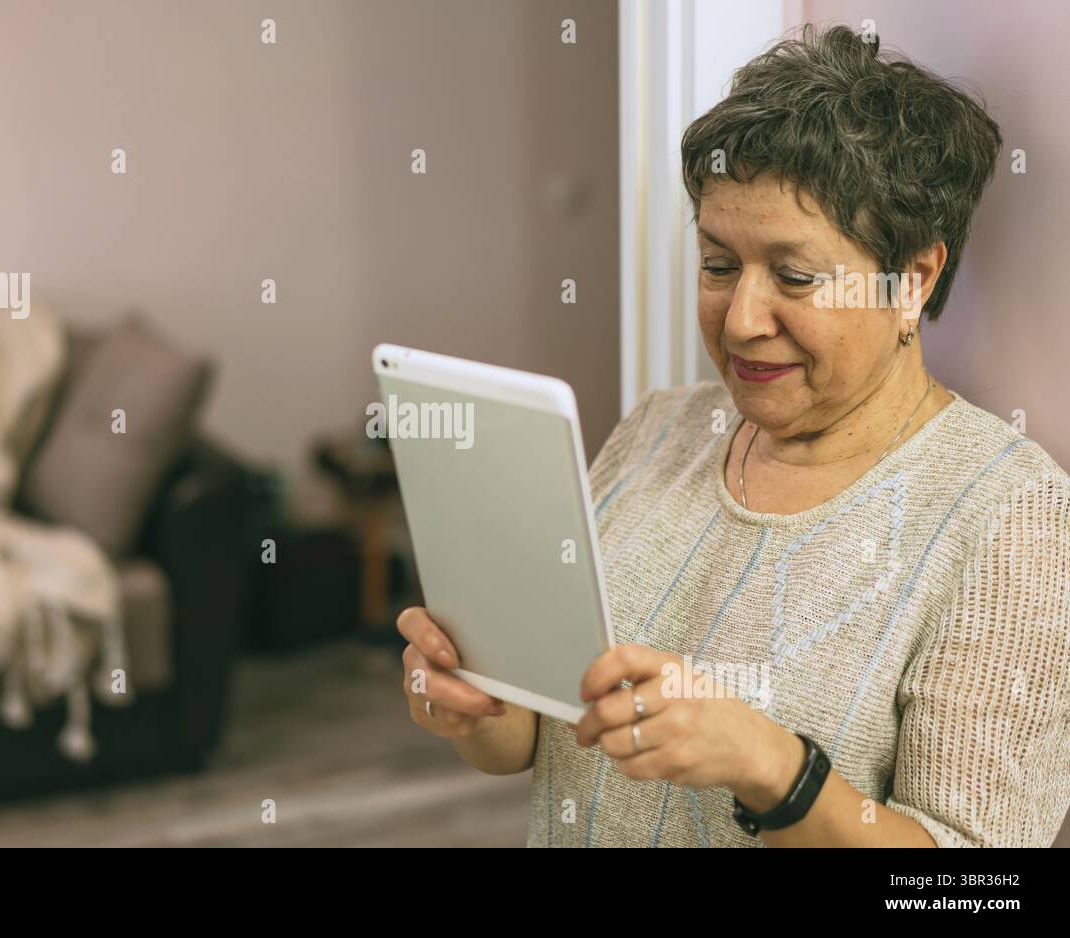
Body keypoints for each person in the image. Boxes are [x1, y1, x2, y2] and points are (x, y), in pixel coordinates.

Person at [398, 24, 1070, 847]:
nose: (744, 321)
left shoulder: (1012, 520)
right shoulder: (658, 429)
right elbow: (536, 747)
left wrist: (773, 769)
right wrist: (475, 699)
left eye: (794, 276)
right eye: (719, 266)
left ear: (914, 280)